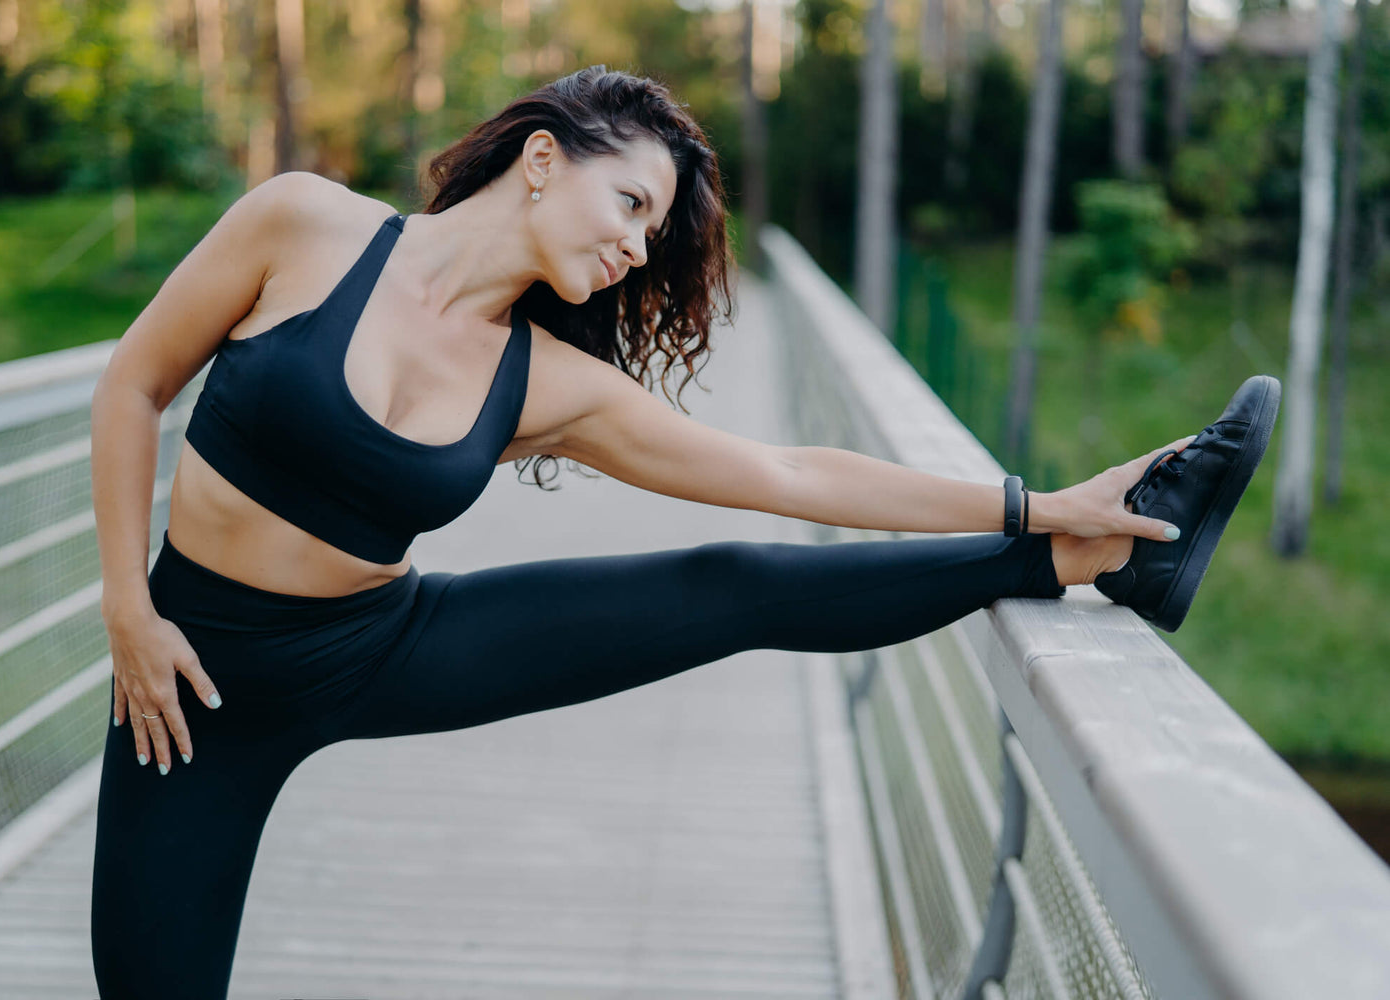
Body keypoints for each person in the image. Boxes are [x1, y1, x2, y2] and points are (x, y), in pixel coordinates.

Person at [87, 65, 1278, 999]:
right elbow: (130, 387)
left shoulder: (550, 384)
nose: (637, 246)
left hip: (376, 643)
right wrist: (130, 611)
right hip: (187, 680)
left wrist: (1040, 502)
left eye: (655, 231)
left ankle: (1091, 550)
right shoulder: (303, 226)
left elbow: (784, 471)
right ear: (544, 159)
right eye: (634, 205)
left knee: (732, 585)